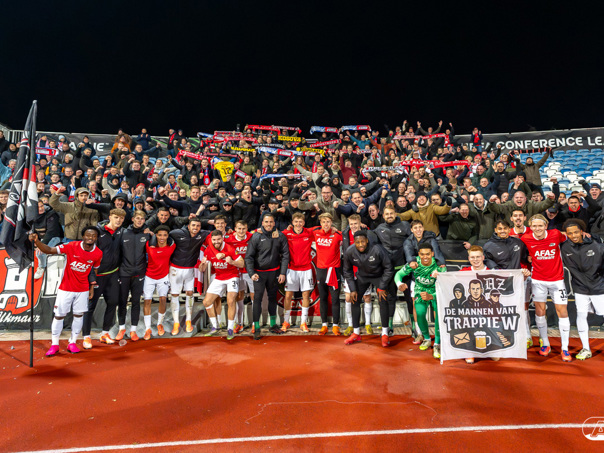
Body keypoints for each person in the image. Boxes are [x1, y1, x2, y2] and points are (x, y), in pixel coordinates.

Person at [29, 227, 103, 356]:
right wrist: (37, 241)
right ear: (83, 236)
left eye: (93, 236)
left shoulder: (98, 253)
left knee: (79, 316)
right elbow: (49, 250)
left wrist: (91, 287)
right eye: (88, 235)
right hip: (66, 288)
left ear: (96, 238)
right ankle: (55, 344)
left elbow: (94, 270)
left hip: (83, 289)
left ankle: (72, 342)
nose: (90, 238)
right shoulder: (72, 246)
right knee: (59, 316)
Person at [521, 214, 571, 361]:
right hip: (538, 281)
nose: (537, 228)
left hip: (557, 280)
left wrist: (585, 234)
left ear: (546, 225)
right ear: (531, 227)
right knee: (540, 311)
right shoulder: (526, 238)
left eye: (540, 225)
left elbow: (569, 236)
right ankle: (545, 343)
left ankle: (565, 348)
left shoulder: (555, 234)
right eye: (534, 226)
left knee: (562, 312)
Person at [483, 219, 533, 346]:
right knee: (502, 311)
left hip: (518, 281)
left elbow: (525, 257)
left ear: (509, 229)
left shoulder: (517, 242)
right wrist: (496, 269)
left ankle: (526, 336)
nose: (502, 231)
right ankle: (504, 336)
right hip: (500, 284)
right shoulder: (489, 245)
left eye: (505, 228)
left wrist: (529, 261)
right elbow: (486, 261)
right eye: (499, 229)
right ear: (495, 230)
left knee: (522, 309)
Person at [342, 230, 395, 347]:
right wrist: (352, 289)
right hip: (363, 277)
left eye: (362, 241)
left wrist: (382, 286)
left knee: (383, 299)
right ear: (354, 242)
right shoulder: (350, 251)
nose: (360, 244)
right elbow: (347, 271)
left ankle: (385, 333)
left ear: (367, 240)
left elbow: (389, 268)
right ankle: (356, 333)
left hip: (378, 276)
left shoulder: (377, 249)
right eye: (357, 242)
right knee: (354, 299)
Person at [81, 208, 125, 348]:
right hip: (97, 276)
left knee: (112, 303)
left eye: (121, 218)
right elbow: (88, 255)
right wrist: (91, 278)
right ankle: (86, 337)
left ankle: (105, 333)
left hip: (113, 274)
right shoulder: (97, 232)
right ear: (110, 217)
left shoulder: (121, 232)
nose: (119, 220)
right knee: (90, 306)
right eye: (116, 217)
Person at [561, 219, 604, 360]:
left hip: (599, 287)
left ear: (581, 232)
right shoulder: (564, 247)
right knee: (581, 315)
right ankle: (586, 348)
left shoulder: (596, 244)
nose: (573, 235)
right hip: (580, 288)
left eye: (576, 232)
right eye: (570, 233)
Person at [395, 243, 446, 359]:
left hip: (435, 292)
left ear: (432, 254)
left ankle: (437, 343)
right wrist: (399, 283)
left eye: (428, 254)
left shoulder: (439, 266)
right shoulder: (414, 264)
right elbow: (398, 274)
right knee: (420, 313)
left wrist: (432, 295)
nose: (425, 257)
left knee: (438, 316)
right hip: (420, 291)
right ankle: (427, 338)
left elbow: (445, 285)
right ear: (418, 254)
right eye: (422, 254)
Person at [244, 213, 290, 340]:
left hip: (274, 273)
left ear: (274, 223)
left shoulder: (280, 236)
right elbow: (248, 257)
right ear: (262, 223)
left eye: (271, 222)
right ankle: (256, 327)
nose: (269, 224)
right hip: (259, 274)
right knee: (257, 299)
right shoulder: (256, 236)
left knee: (273, 298)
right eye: (266, 222)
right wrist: (251, 273)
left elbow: (285, 255)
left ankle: (273, 325)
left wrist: (282, 272)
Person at [199, 230, 245, 340]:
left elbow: (242, 263)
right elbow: (202, 269)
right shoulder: (208, 250)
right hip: (219, 277)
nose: (216, 241)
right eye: (214, 240)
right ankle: (215, 326)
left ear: (222, 238)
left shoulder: (230, 249)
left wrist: (232, 262)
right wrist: (202, 264)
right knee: (206, 302)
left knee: (231, 300)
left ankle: (230, 329)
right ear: (211, 240)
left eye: (219, 239)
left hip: (232, 276)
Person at [168, 218, 211, 335]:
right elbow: (164, 234)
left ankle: (188, 321)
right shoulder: (177, 233)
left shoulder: (202, 234)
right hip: (175, 269)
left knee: (190, 294)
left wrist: (228, 229)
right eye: (193, 225)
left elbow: (217, 232)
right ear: (188, 226)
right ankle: (176, 323)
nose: (195, 228)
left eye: (198, 226)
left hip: (190, 270)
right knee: (175, 295)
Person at [115, 211, 151, 341]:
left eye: (142, 219)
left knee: (136, 302)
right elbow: (117, 253)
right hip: (124, 273)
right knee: (122, 301)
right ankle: (121, 328)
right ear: (133, 219)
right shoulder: (123, 233)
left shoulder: (146, 234)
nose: (140, 221)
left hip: (139, 273)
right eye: (137, 218)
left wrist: (151, 234)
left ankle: (133, 330)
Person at [312, 213, 343, 335]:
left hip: (334, 271)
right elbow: (300, 230)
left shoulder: (337, 234)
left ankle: (335, 325)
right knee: (323, 298)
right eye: (324, 222)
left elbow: (351, 235)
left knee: (335, 299)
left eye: (328, 222)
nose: (326, 224)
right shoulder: (316, 232)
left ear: (331, 223)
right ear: (320, 223)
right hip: (321, 271)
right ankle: (324, 325)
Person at [281, 213, 314, 333]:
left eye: (300, 222)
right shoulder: (286, 233)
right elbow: (273, 233)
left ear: (304, 223)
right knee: (288, 295)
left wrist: (334, 229)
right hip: (292, 269)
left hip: (306, 269)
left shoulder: (309, 232)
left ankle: (303, 322)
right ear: (292, 222)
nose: (298, 224)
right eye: (296, 221)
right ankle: (286, 321)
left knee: (306, 295)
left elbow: (323, 230)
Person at [143, 225, 175, 339]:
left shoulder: (171, 246)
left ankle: (159, 324)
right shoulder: (148, 245)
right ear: (156, 235)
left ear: (167, 236)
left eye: (165, 235)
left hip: (163, 277)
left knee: (163, 299)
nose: (162, 237)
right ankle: (147, 328)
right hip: (149, 276)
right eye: (160, 235)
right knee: (147, 301)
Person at [225, 220, 253, 333]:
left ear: (247, 229)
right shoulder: (229, 239)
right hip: (236, 272)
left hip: (250, 271)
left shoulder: (252, 236)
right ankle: (239, 323)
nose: (241, 231)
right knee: (239, 296)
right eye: (239, 228)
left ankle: (255, 324)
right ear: (235, 229)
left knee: (254, 296)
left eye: (243, 229)